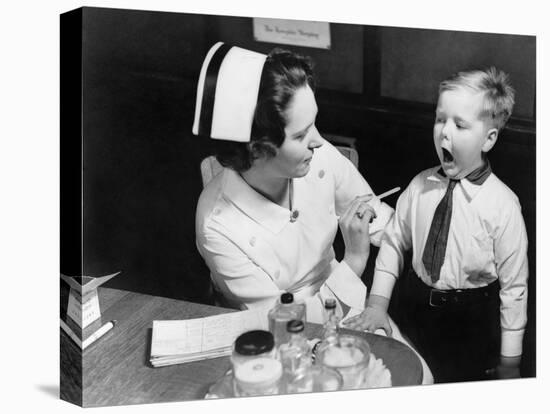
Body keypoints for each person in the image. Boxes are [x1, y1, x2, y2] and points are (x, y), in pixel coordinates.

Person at [193, 42, 433, 383]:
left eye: (314, 125)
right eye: (302, 134)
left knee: (422, 380)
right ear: (259, 148)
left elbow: (375, 214)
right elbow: (283, 323)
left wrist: (425, 236)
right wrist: (353, 262)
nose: (319, 141)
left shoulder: (318, 159)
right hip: (278, 341)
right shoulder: (217, 223)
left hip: (348, 309)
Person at [344, 67, 528, 383]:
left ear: (489, 139)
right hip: (412, 309)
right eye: (440, 119)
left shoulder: (504, 206)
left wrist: (510, 361)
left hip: (470, 322)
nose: (444, 132)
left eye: (460, 124)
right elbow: (393, 243)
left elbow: (514, 289)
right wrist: (377, 304)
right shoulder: (418, 187)